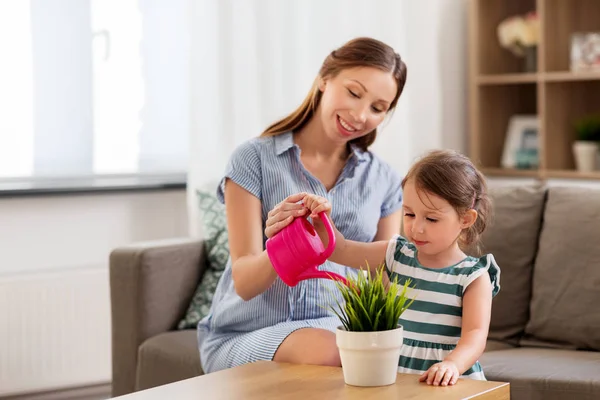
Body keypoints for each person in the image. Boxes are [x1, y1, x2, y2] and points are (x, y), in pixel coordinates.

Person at [197, 37, 408, 373]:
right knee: (339, 354)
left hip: (336, 329)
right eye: (354, 93)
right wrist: (287, 242)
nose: (360, 114)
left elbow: (384, 282)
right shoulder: (254, 159)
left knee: (382, 354)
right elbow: (245, 283)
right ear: (325, 78)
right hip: (247, 332)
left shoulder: (384, 180)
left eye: (378, 108)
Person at [302, 149, 501, 386]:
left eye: (431, 219)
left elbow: (475, 336)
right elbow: (341, 250)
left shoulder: (472, 277)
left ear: (466, 219)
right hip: (398, 374)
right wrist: (321, 222)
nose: (416, 228)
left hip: (448, 382)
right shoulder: (396, 254)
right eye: (409, 214)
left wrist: (452, 365)